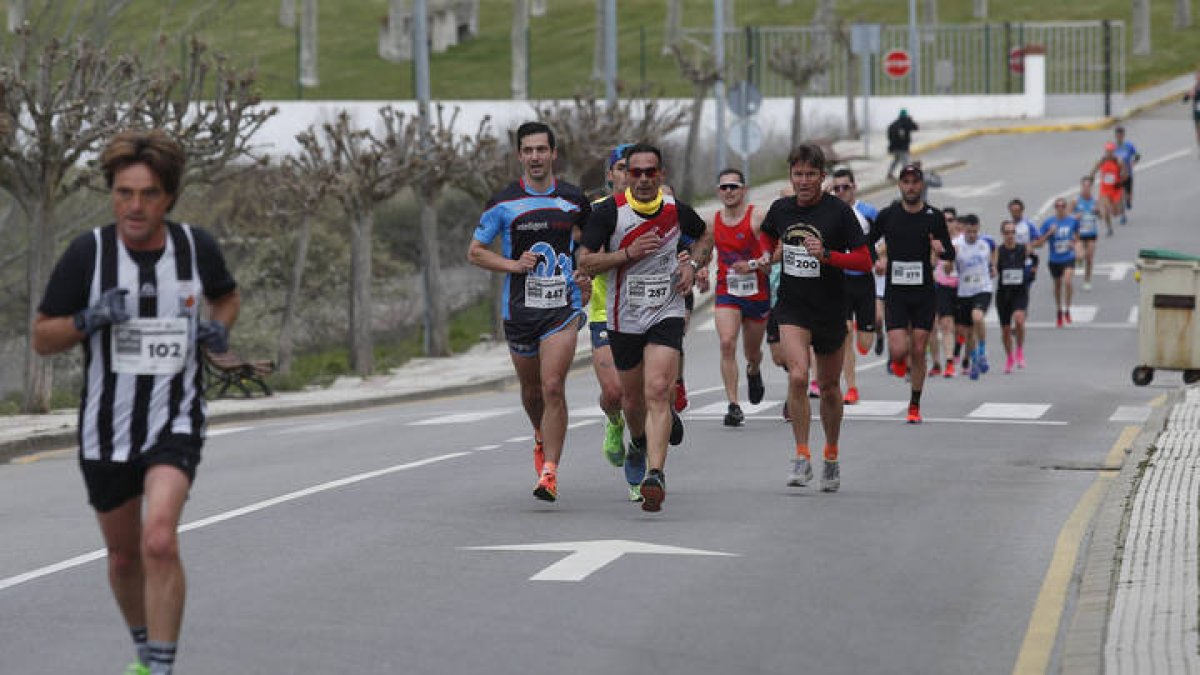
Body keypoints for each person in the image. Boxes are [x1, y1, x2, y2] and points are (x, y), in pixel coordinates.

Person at [32, 129, 240, 675]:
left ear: (168, 195)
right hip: (106, 428)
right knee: (124, 556)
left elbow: (226, 296)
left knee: (159, 539)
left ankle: (162, 669)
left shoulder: (196, 248)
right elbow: (42, 336)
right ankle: (145, 649)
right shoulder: (88, 254)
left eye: (147, 194)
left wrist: (218, 332)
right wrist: (88, 318)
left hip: (175, 415)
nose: (135, 206)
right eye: (124, 193)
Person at [468, 121, 591, 503]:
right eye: (528, 150)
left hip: (562, 308)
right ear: (520, 155)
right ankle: (540, 433)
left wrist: (584, 274)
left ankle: (550, 473)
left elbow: (586, 247)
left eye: (542, 149)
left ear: (554, 154)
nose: (536, 156)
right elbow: (476, 251)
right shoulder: (503, 203)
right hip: (519, 311)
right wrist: (513, 265)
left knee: (553, 385)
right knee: (532, 390)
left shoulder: (574, 200)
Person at [578, 142, 705, 513]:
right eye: (638, 172)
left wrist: (691, 267)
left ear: (661, 174)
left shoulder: (674, 209)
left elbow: (704, 236)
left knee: (659, 389)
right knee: (631, 401)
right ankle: (636, 439)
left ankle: (655, 473)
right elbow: (586, 262)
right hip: (622, 316)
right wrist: (626, 255)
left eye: (652, 172)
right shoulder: (609, 214)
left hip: (665, 309)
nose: (646, 179)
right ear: (627, 176)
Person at [760, 143, 873, 493]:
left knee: (828, 388)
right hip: (793, 306)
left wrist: (827, 255)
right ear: (791, 176)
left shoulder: (838, 212)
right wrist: (768, 254)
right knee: (797, 376)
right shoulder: (780, 209)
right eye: (798, 174)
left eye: (811, 174)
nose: (804, 180)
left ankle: (832, 454)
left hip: (829, 309)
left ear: (822, 177)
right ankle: (801, 454)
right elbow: (765, 235)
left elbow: (864, 260)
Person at [870, 163, 955, 424]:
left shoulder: (934, 216)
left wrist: (941, 250)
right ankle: (897, 360)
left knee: (918, 349)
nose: (910, 186)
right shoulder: (888, 215)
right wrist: (877, 261)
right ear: (899, 185)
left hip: (923, 294)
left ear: (922, 185)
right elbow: (867, 242)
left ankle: (914, 405)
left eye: (915, 181)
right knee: (898, 350)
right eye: (905, 182)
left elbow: (950, 253)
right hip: (896, 293)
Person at [588, 143, 645, 501]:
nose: (629, 175)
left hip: (645, 311)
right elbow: (576, 253)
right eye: (622, 168)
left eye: (636, 169)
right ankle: (614, 423)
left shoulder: (656, 208)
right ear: (610, 174)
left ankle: (640, 459)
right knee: (615, 393)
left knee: (644, 395)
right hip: (603, 312)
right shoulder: (593, 212)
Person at [709, 168, 770, 426]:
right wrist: (699, 268)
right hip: (727, 290)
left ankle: (754, 370)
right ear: (718, 192)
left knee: (752, 352)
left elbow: (771, 257)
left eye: (734, 186)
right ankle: (733, 405)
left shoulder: (757, 217)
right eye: (724, 187)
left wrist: (753, 264)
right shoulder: (713, 221)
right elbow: (704, 250)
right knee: (726, 343)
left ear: (744, 190)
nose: (729, 191)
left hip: (757, 291)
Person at [828, 167, 878, 404]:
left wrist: (880, 258)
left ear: (854, 187)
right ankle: (851, 388)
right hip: (840, 280)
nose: (840, 192)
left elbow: (883, 241)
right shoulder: (829, 213)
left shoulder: (868, 212)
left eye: (844, 187)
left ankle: (870, 329)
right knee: (845, 334)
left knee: (865, 343)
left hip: (864, 279)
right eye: (836, 188)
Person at [948, 214, 996, 380]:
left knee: (977, 317)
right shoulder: (956, 245)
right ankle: (974, 360)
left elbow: (993, 253)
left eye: (975, 232)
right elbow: (948, 270)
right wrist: (951, 257)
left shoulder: (985, 244)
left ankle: (982, 352)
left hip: (983, 288)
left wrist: (993, 266)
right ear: (963, 230)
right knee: (967, 333)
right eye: (969, 232)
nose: (972, 235)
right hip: (964, 292)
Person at [1033, 198, 1081, 328]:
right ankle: (1059, 310)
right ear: (1055, 208)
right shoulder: (1049, 222)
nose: (1060, 208)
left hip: (1068, 257)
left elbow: (1077, 236)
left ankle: (1067, 309)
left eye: (1063, 206)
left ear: (1066, 207)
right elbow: (1039, 243)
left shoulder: (1072, 221)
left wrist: (1075, 244)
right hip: (1054, 259)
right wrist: (1049, 232)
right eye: (1057, 206)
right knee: (1057, 286)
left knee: (1067, 281)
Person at [994, 220, 1030, 373]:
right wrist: (993, 270)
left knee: (1019, 320)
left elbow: (1034, 260)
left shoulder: (1023, 249)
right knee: (1006, 330)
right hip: (1003, 294)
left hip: (1019, 292)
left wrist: (1032, 271)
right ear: (1002, 234)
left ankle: (1020, 350)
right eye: (1007, 232)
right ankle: (1009, 357)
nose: (1010, 235)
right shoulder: (999, 251)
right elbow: (993, 266)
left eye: (1012, 232)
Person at [931, 206, 961, 377]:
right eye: (944, 221)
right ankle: (940, 362)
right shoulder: (936, 241)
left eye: (950, 220)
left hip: (960, 287)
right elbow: (932, 264)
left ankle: (954, 357)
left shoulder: (962, 241)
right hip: (939, 286)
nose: (947, 224)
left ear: (956, 222)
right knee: (938, 325)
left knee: (960, 327)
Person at [1071, 175, 1101, 290]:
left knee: (1089, 258)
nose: (1086, 188)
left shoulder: (1095, 201)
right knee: (1079, 256)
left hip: (1091, 233)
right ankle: (1078, 260)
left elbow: (1101, 216)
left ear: (1092, 187)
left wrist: (1098, 212)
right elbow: (1067, 217)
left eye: (1089, 186)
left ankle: (1087, 280)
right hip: (1079, 234)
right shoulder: (1076, 201)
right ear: (1081, 187)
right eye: (1084, 186)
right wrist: (1075, 217)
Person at [1089, 142, 1126, 236]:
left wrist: (1120, 181)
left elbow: (1125, 174)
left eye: (1111, 151)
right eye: (1107, 151)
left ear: (1114, 152)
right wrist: (1091, 179)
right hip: (1105, 189)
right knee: (1106, 210)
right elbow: (1093, 171)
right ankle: (1109, 228)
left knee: (1115, 213)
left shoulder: (1118, 161)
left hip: (1115, 189)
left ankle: (1122, 212)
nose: (1109, 153)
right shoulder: (1102, 161)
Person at [1112, 126, 1141, 216]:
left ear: (1124, 135)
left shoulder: (1129, 146)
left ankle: (1128, 200)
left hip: (1128, 174)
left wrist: (1134, 163)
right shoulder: (1112, 147)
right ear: (1115, 136)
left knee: (1127, 195)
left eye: (1121, 135)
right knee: (1119, 195)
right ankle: (1122, 215)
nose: (1119, 137)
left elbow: (1137, 155)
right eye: (1118, 135)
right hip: (1117, 174)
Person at [886, 109, 919, 179]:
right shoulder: (907, 122)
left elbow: (889, 135)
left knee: (896, 160)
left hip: (894, 147)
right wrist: (910, 120)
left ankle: (889, 173)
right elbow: (916, 127)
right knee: (906, 162)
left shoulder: (894, 123)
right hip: (903, 147)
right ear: (906, 115)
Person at [1184, 69, 1200, 156]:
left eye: (1199, 76)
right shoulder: (1194, 87)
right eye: (1196, 76)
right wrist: (1188, 95)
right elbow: (1185, 99)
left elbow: (1196, 95)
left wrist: (1195, 94)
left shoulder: (1196, 89)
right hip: (1197, 113)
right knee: (1198, 132)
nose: (1197, 78)